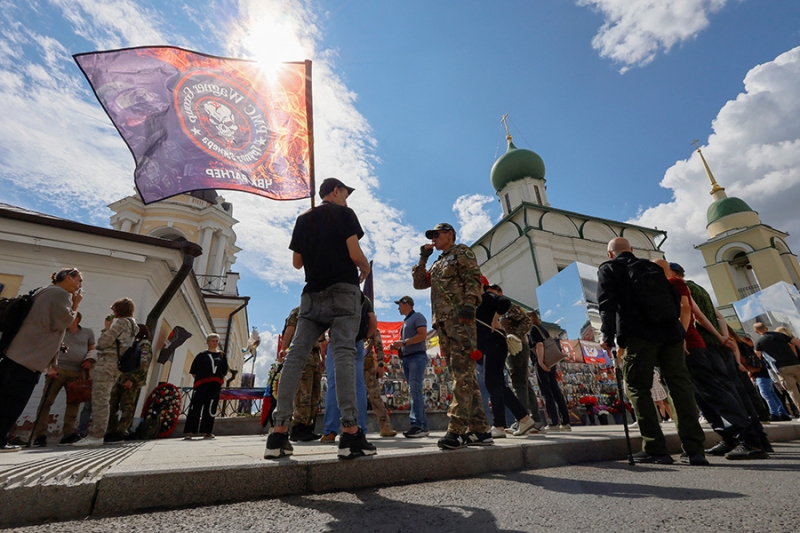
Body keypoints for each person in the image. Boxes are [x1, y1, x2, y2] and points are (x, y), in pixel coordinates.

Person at [265, 178, 375, 460]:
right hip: (343, 290)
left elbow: (297, 262)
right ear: (336, 191)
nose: (347, 200)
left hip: (312, 294)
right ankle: (350, 433)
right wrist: (364, 268)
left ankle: (278, 432)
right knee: (343, 355)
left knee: (295, 356)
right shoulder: (345, 214)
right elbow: (354, 252)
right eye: (346, 194)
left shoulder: (303, 219)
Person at [597, 238, 707, 465]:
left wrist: (607, 336)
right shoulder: (651, 267)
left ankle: (655, 448)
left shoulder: (609, 268)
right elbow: (675, 298)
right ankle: (694, 450)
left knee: (638, 386)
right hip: (671, 333)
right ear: (633, 250)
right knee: (679, 384)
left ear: (610, 254)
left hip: (639, 335)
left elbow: (606, 304)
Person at [412, 222, 491, 449]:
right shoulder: (437, 263)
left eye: (437, 235)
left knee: (462, 375)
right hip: (444, 324)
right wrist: (423, 259)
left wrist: (469, 303)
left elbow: (474, 279)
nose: (434, 239)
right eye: (432, 236)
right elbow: (419, 284)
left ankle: (456, 430)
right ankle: (480, 429)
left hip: (460, 320)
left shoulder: (462, 252)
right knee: (462, 373)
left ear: (450, 235)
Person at [0, 268, 82, 452]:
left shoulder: (44, 290)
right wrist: (76, 305)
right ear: (68, 278)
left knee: (4, 396)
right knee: (13, 401)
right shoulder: (61, 294)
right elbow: (65, 322)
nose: (80, 285)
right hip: (28, 358)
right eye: (79, 279)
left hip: (16, 352)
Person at [74, 297, 136, 447]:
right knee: (104, 398)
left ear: (119, 310)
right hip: (117, 365)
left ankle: (96, 435)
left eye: (114, 309)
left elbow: (102, 343)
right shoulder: (133, 326)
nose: (112, 311)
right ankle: (98, 433)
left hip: (108, 363)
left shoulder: (122, 323)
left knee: (99, 399)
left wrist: (106, 327)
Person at [478, 284, 539, 437]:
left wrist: (495, 318)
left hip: (495, 342)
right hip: (490, 344)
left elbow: (504, 302)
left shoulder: (487, 297)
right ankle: (522, 419)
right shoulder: (477, 302)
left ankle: (500, 425)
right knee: (497, 384)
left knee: (493, 382)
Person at [31, 312, 96, 447]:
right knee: (47, 402)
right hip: (58, 370)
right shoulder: (59, 331)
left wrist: (89, 359)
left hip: (76, 372)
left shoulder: (87, 333)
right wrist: (50, 367)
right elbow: (49, 347)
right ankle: (40, 435)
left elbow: (92, 349)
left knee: (73, 403)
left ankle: (68, 433)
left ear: (77, 319)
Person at [321, 295, 372, 440]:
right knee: (358, 384)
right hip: (356, 342)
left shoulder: (334, 295)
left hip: (336, 342)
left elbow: (323, 320)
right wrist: (364, 337)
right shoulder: (364, 299)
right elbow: (372, 322)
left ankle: (330, 430)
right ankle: (359, 427)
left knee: (334, 384)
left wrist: (321, 340)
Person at [500, 299, 545, 433]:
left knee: (518, 384)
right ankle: (535, 421)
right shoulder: (499, 310)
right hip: (511, 347)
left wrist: (514, 336)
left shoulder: (507, 307)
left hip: (517, 346)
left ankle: (522, 420)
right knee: (525, 384)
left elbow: (527, 321)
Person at [279, 306, 323, 443]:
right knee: (303, 393)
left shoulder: (318, 312)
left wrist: (322, 357)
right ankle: (298, 428)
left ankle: (308, 428)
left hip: (315, 355)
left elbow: (319, 338)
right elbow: (290, 330)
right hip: (303, 354)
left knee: (314, 394)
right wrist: (284, 349)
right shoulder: (299, 310)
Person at [390, 296, 430, 438]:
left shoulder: (418, 317)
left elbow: (422, 335)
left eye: (399, 305)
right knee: (414, 391)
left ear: (406, 304)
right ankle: (422, 426)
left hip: (416, 357)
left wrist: (404, 343)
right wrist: (398, 346)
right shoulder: (406, 322)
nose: (398, 308)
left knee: (414, 391)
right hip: (409, 358)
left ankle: (417, 425)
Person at [106, 324, 153, 442]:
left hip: (131, 381)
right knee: (112, 404)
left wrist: (132, 379)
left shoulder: (144, 345)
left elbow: (143, 364)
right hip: (120, 378)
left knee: (127, 406)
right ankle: (110, 430)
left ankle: (121, 431)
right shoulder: (131, 342)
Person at [528, 311, 572, 432]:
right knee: (555, 391)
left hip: (542, 362)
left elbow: (539, 345)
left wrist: (541, 362)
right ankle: (565, 421)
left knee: (546, 392)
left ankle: (553, 422)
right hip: (551, 362)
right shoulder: (543, 329)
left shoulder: (533, 329)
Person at [183, 334, 228, 440]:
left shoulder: (222, 356)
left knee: (211, 408)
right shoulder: (201, 355)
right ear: (208, 342)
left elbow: (224, 371)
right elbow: (194, 371)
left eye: (217, 341)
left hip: (215, 386)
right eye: (213, 341)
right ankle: (190, 431)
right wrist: (203, 379)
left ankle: (207, 431)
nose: (215, 343)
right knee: (195, 406)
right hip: (201, 385)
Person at [754, 322, 800, 415]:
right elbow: (797, 343)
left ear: (756, 332)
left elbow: (757, 357)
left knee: (793, 392)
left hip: (781, 368)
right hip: (795, 364)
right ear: (766, 328)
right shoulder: (780, 335)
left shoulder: (759, 342)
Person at [364, 329, 397, 437]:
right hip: (351, 364)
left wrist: (381, 364)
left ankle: (385, 426)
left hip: (367, 366)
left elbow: (378, 345)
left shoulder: (370, 325)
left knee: (376, 396)